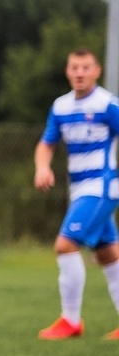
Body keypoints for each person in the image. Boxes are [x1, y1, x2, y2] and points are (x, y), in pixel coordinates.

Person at [32, 48, 119, 340]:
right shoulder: (61, 107)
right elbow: (46, 144)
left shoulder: (107, 104)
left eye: (86, 67)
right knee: (108, 254)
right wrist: (42, 167)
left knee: (65, 245)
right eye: (74, 67)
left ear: (96, 71)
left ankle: (70, 321)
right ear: (67, 71)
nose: (80, 73)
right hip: (79, 189)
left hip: (102, 187)